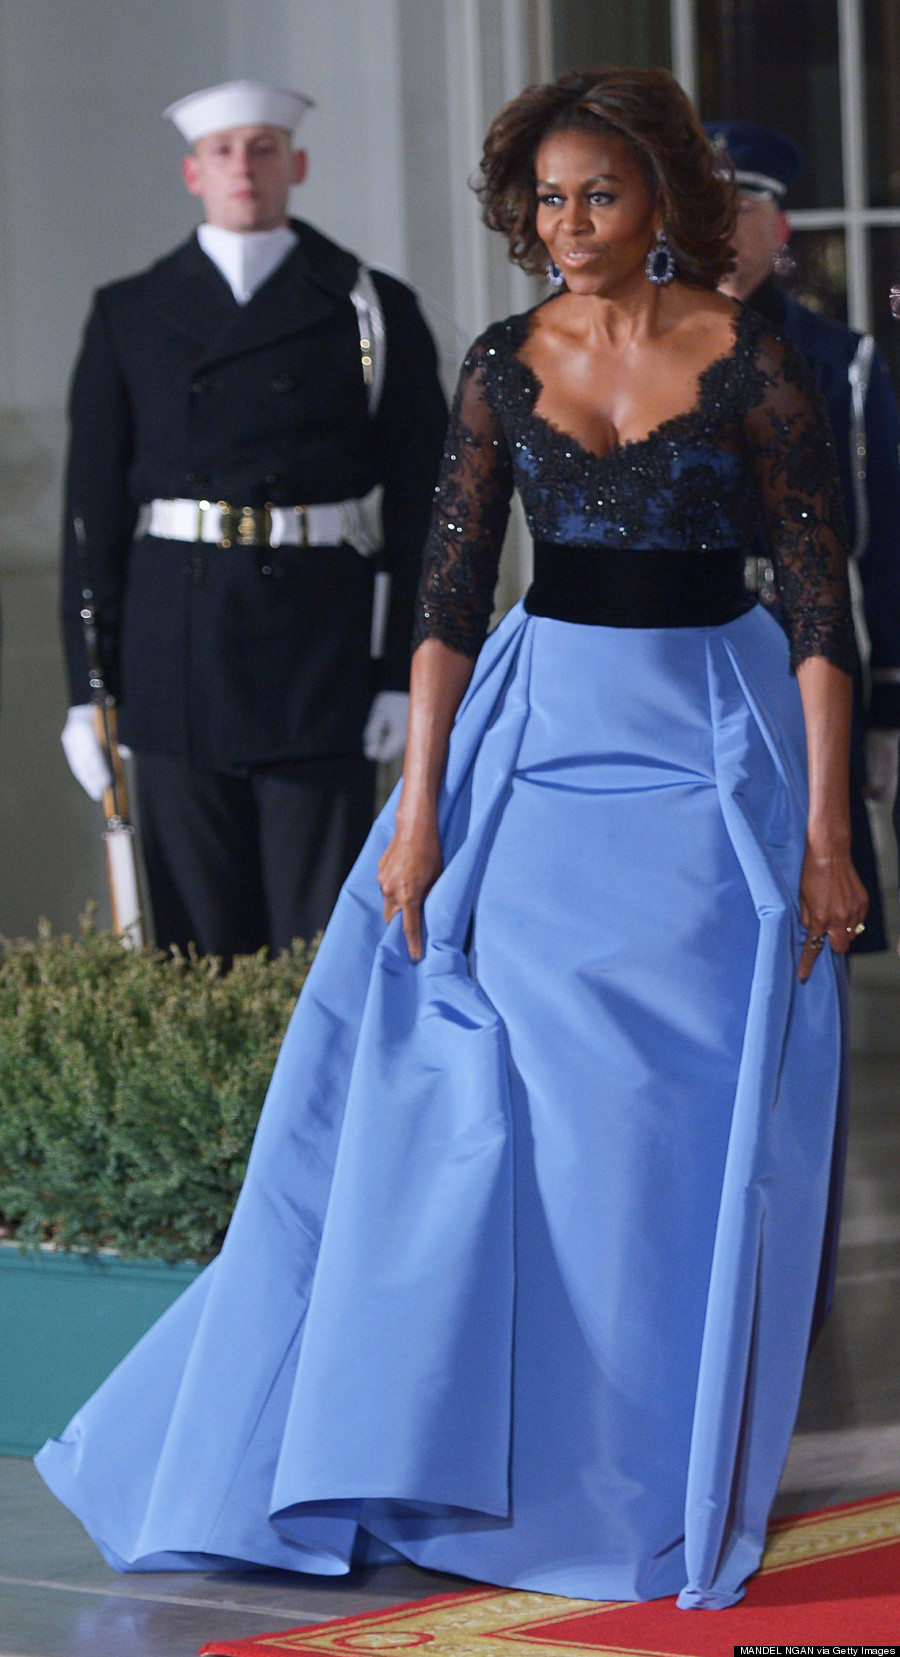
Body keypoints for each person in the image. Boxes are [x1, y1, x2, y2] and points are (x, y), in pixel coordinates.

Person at [37, 69, 866, 1611]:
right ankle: (455, 1478)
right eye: (546, 200)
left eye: (599, 196)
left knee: (657, 1145)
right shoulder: (499, 365)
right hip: (537, 758)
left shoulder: (756, 367)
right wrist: (417, 820)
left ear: (664, 200)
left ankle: (627, 1482)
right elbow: (443, 608)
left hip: (705, 757)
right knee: (517, 1121)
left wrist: (829, 831)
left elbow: (823, 614)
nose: (570, 225)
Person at [59, 80, 447, 958]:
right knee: (195, 949)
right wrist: (88, 691)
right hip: (174, 657)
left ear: (297, 166)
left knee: (321, 943)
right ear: (194, 172)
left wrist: (400, 673)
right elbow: (91, 519)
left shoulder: (369, 305)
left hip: (320, 654)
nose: (246, 166)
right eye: (226, 151)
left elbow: (426, 502)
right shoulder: (128, 313)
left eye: (264, 148)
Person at [704, 119, 900, 954]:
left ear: (777, 226)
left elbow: (888, 535)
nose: (723, 223)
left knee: (824, 894)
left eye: (743, 204)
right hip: (695, 644)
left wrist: (890, 691)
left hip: (803, 644)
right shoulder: (645, 348)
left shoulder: (838, 360)